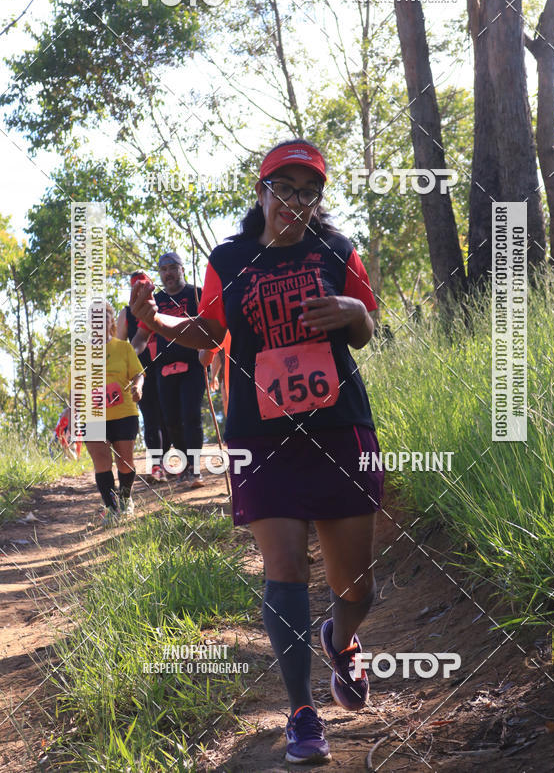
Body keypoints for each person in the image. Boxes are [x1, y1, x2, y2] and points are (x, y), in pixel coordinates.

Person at [131, 140, 384, 765]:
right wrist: (158, 324)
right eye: (286, 187)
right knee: (286, 571)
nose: (297, 201)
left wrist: (350, 307)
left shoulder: (337, 250)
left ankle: (341, 639)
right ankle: (301, 710)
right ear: (261, 190)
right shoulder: (230, 258)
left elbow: (367, 325)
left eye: (309, 190)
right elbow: (209, 333)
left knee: (358, 589)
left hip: (339, 427)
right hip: (261, 434)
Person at [131, 251, 205, 489]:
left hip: (193, 365)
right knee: (171, 421)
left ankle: (194, 469)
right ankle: (183, 466)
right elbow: (142, 336)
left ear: (182, 269)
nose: (168, 273)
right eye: (163, 270)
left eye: (173, 267)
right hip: (164, 369)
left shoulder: (196, 294)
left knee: (191, 415)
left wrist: (212, 353)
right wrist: (129, 357)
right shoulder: (156, 301)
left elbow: (213, 326)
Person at [69, 301, 144, 524]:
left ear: (111, 321)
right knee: (101, 462)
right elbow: (76, 388)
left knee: (124, 461)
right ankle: (112, 510)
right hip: (93, 415)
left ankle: (125, 500)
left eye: (105, 317)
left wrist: (138, 386)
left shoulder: (123, 347)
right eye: (95, 317)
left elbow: (138, 373)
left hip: (124, 412)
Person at [117, 272, 170, 483]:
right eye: (136, 287)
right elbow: (121, 343)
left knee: (169, 416)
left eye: (144, 285)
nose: (140, 290)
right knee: (150, 416)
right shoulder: (127, 313)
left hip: (168, 366)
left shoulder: (163, 304)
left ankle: (166, 460)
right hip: (141, 369)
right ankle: (157, 464)